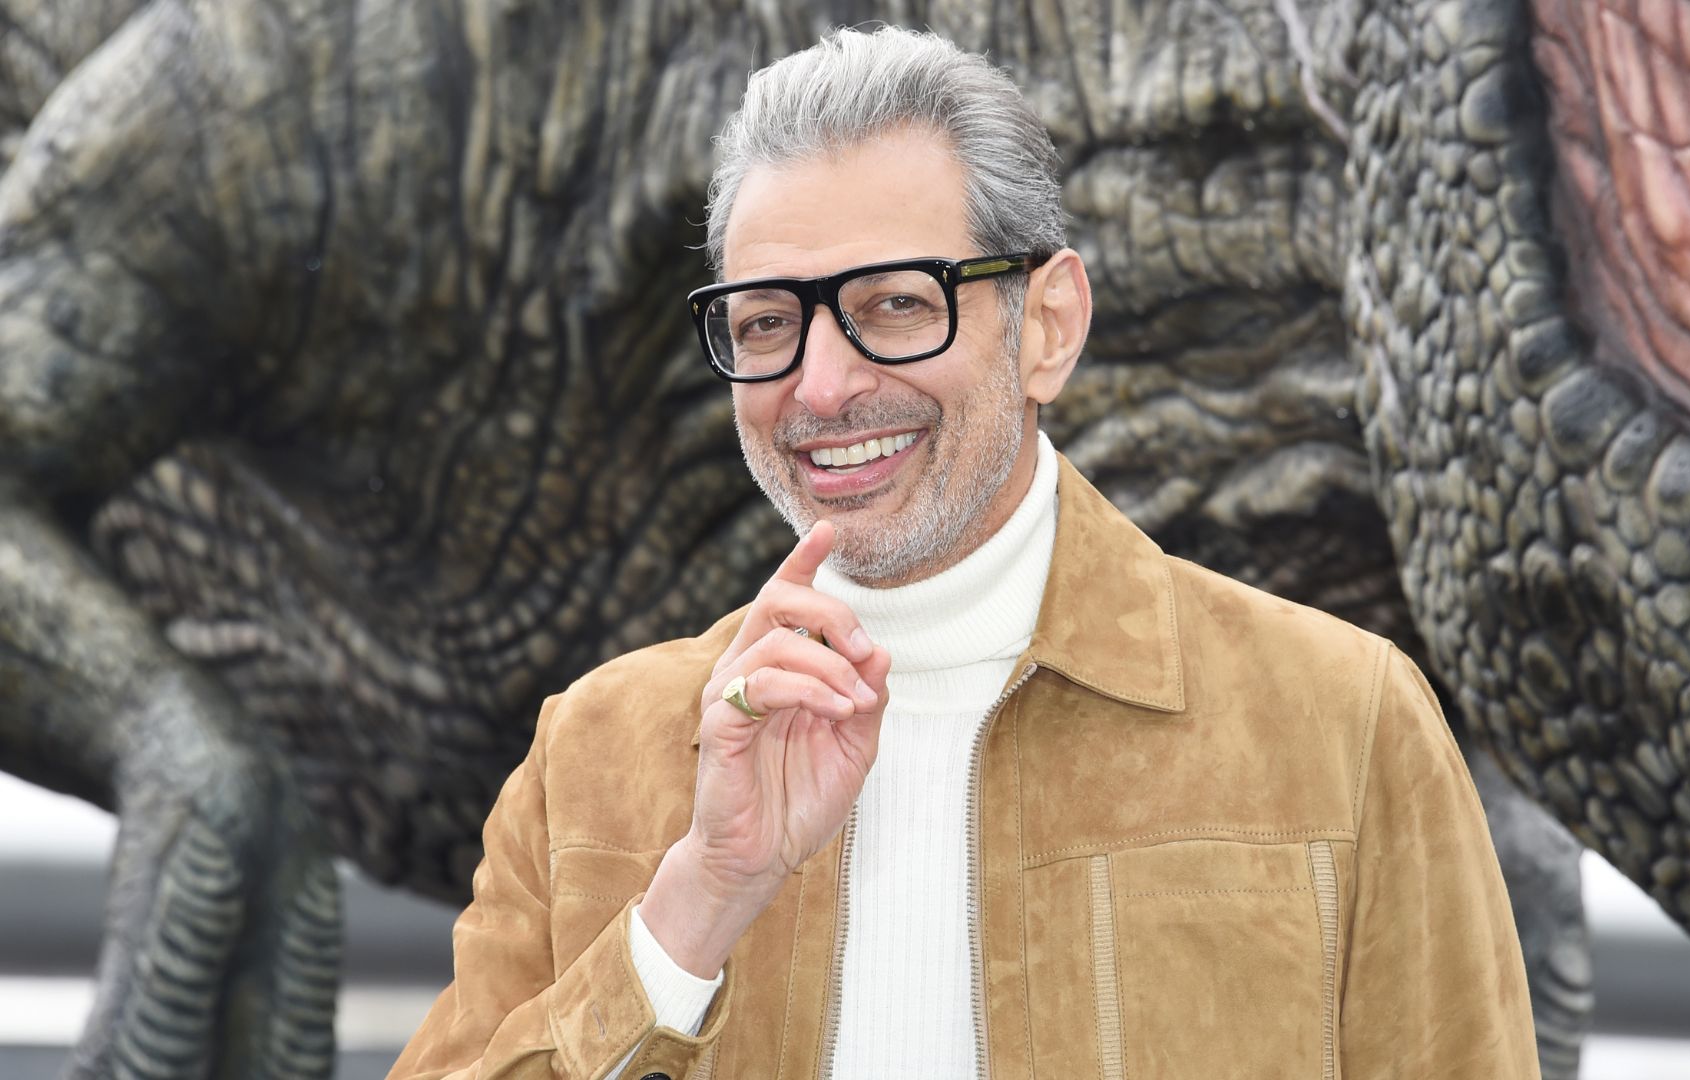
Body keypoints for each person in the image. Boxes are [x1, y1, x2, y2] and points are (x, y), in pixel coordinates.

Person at [392, 25, 1538, 1080]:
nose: (820, 386)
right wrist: (695, 906)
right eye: (767, 322)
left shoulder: (1343, 727)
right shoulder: (593, 756)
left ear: (1049, 326)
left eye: (895, 304)